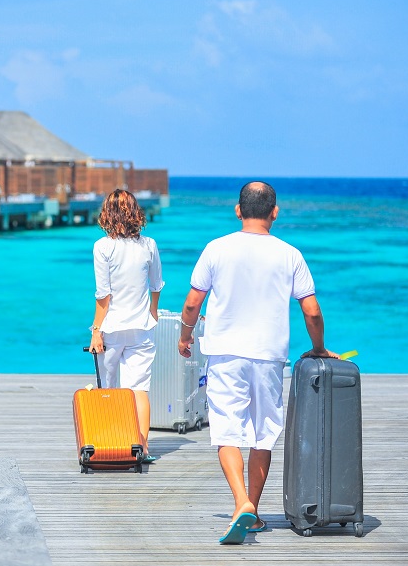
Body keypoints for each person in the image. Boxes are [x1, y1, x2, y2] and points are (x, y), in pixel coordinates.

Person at [177, 181, 337, 544]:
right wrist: (319, 348)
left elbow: (191, 303)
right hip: (268, 356)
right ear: (274, 212)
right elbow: (311, 310)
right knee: (263, 431)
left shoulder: (216, 248)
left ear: (238, 210)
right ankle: (254, 510)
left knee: (227, 429)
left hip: (225, 352)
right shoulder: (290, 254)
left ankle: (240, 503)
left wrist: (185, 336)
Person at [89, 189, 164, 460]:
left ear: (106, 214)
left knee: (107, 390)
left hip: (111, 328)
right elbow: (156, 285)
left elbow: (103, 295)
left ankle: (110, 443)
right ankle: (142, 448)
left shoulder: (103, 246)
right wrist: (152, 312)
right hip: (142, 328)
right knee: (139, 389)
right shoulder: (149, 245)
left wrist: (95, 331)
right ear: (136, 213)